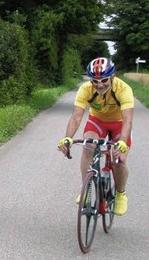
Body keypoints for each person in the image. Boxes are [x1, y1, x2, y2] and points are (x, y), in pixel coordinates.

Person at [57, 57, 133, 216]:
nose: (99, 85)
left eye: (104, 80)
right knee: (88, 147)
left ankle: (120, 194)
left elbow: (127, 119)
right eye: (95, 81)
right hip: (97, 121)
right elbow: (76, 117)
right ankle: (86, 190)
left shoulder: (123, 89)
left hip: (119, 123)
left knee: (120, 160)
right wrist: (67, 138)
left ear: (113, 76)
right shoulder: (85, 89)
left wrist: (123, 142)